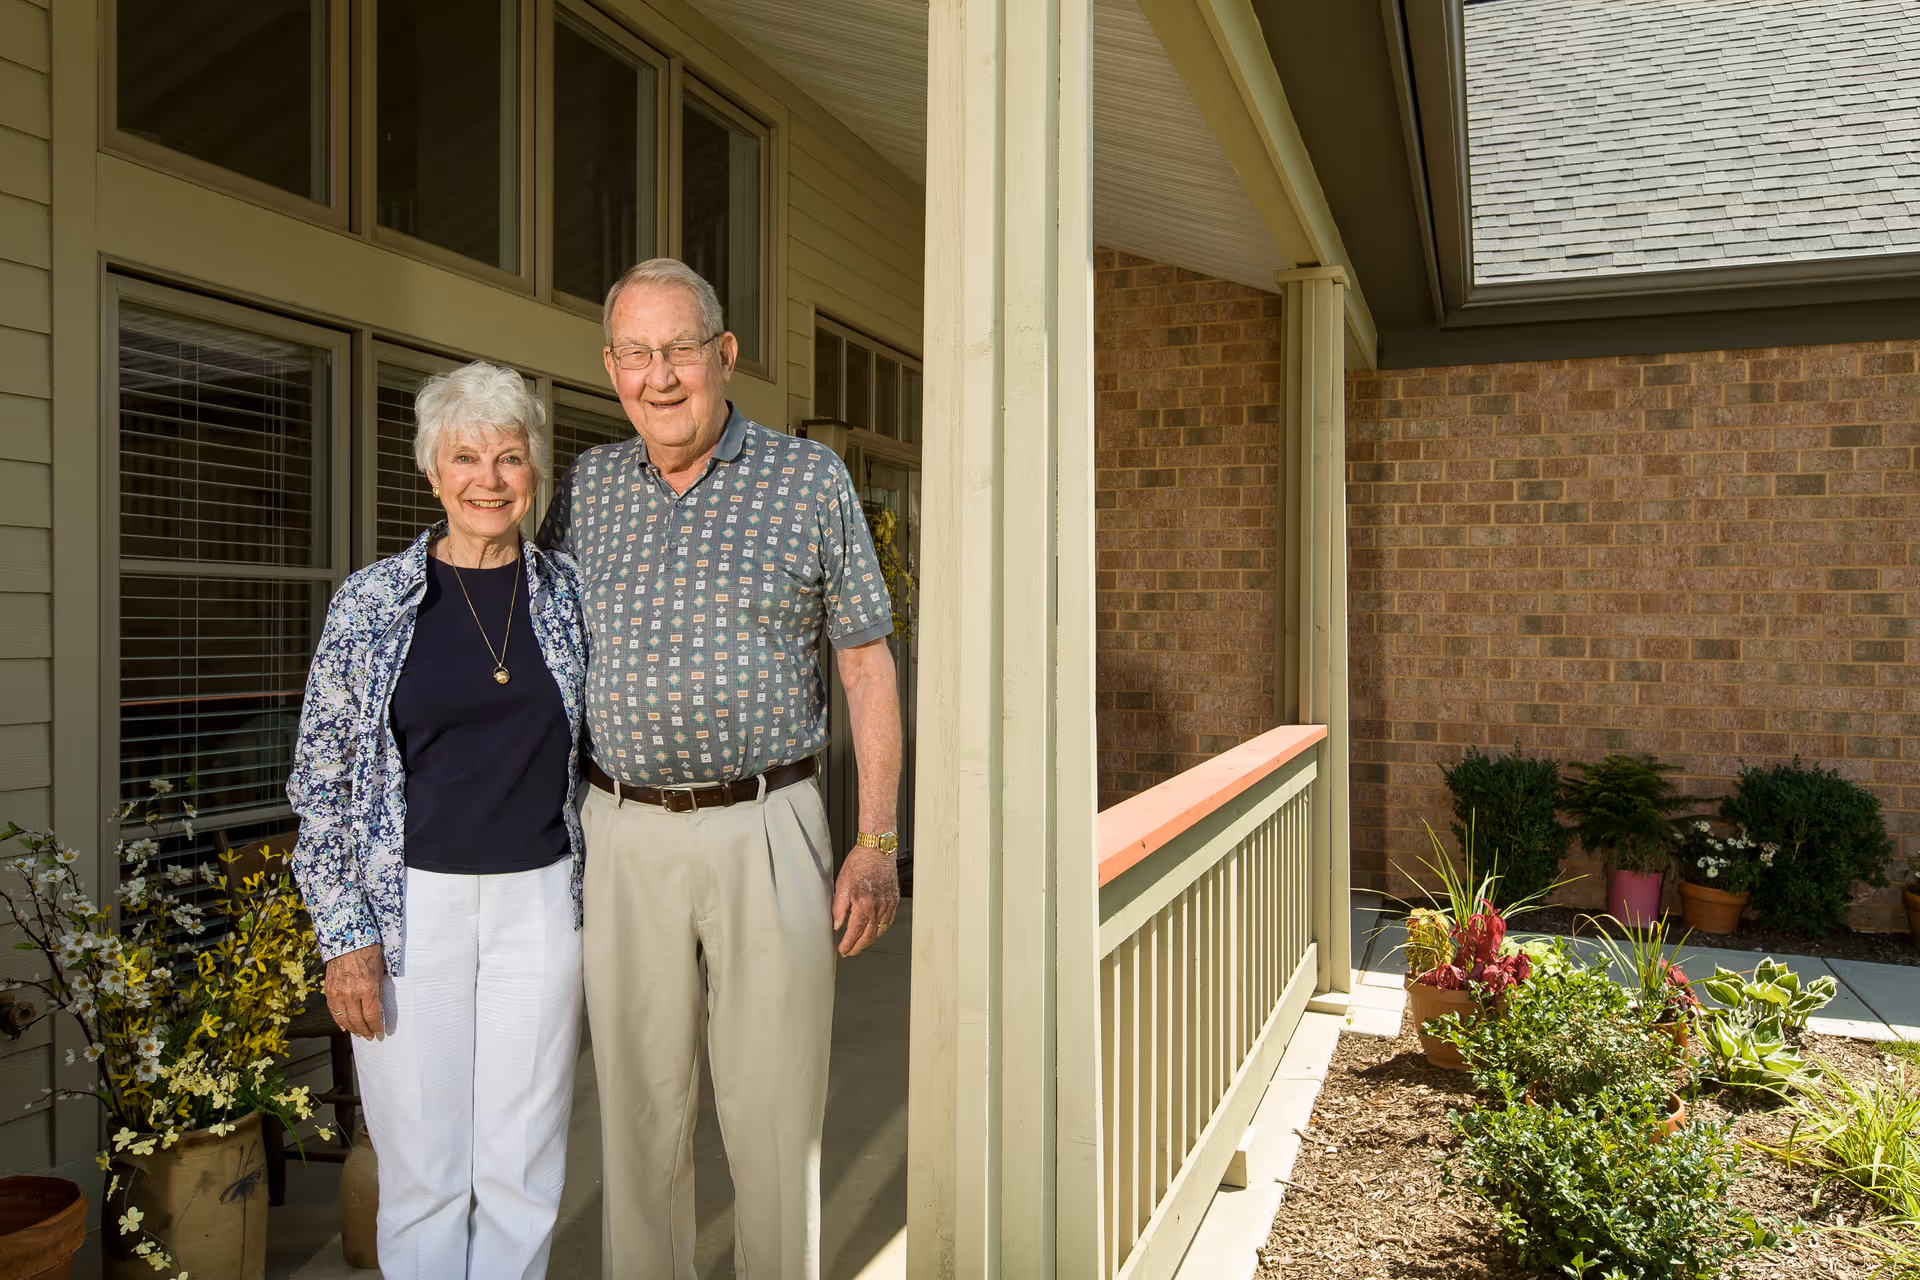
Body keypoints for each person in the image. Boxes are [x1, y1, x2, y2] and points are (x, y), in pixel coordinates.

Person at [538, 257, 903, 1279]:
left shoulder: (807, 479)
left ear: (725, 354)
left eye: (681, 349)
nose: (662, 376)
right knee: (638, 1108)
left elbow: (867, 662)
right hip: (623, 826)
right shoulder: (586, 490)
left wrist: (876, 841)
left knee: (774, 1109)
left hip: (769, 821)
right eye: (638, 354)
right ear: (613, 368)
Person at [287, 361, 590, 1280]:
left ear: (533, 470)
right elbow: (321, 782)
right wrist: (344, 936)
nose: (489, 480)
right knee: (423, 1170)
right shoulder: (372, 603)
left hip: (540, 905)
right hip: (405, 911)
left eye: (509, 456)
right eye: (467, 457)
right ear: (432, 472)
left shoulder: (568, 596)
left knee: (523, 1165)